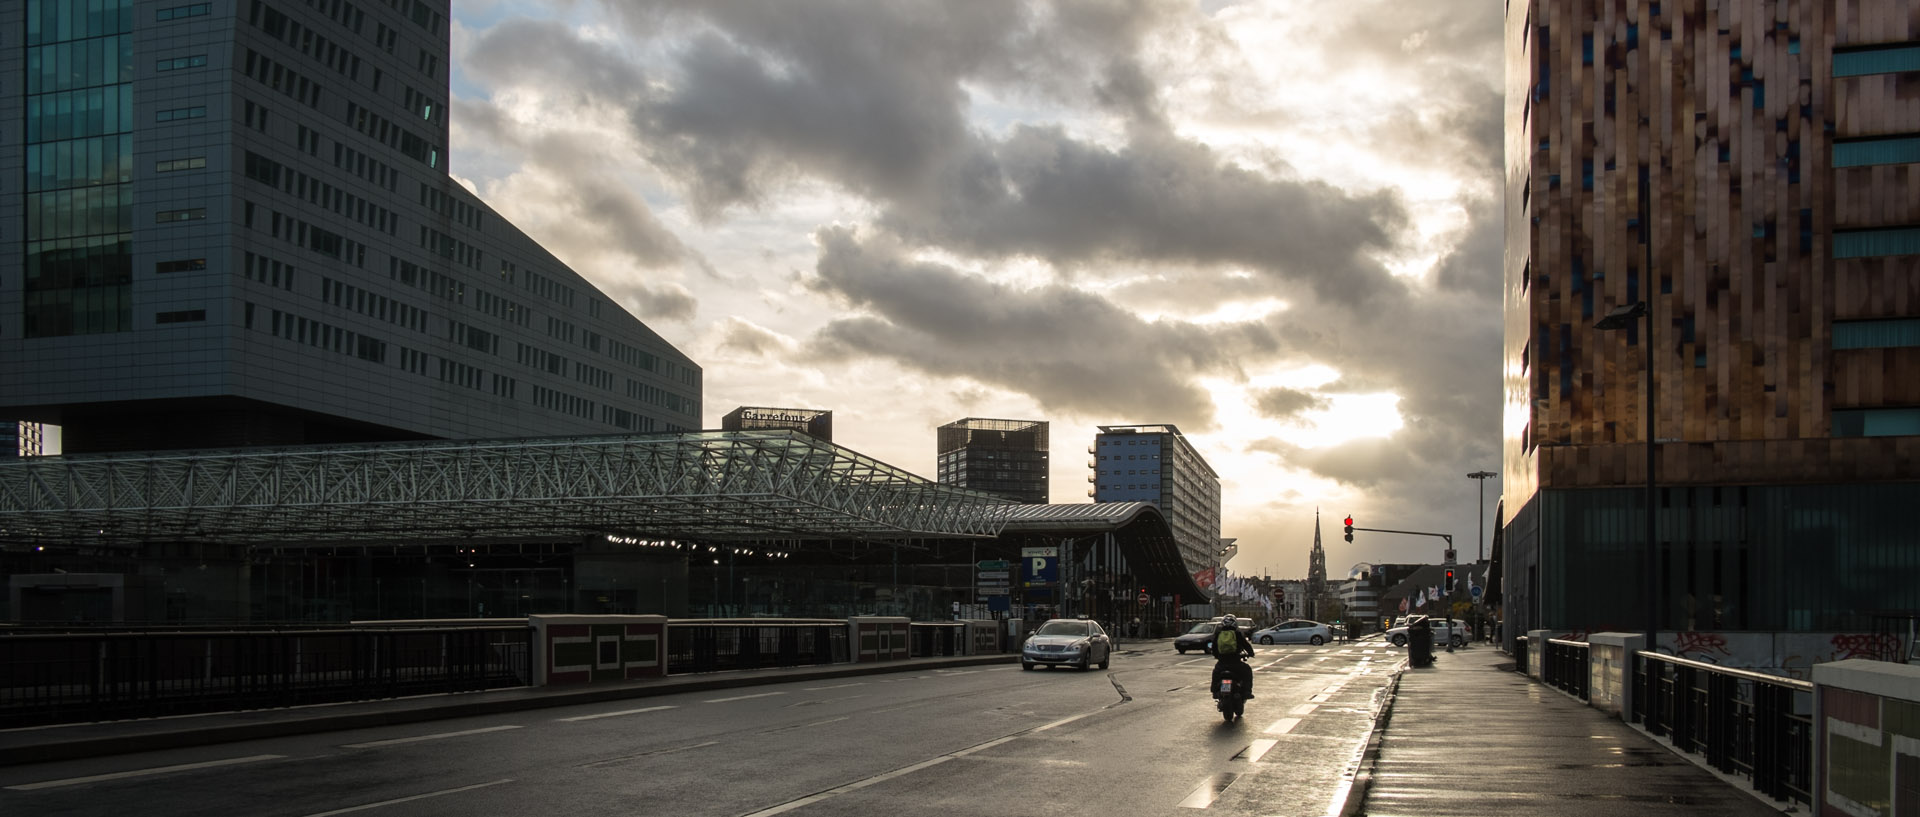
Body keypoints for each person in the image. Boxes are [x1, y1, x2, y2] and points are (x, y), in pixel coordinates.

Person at [1209, 614, 1255, 699]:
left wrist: (1216, 655)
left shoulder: (1219, 634)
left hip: (1222, 663)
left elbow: (1214, 647)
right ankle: (1247, 692)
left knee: (1216, 673)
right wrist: (1251, 653)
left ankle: (1215, 691)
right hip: (1235, 662)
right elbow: (1245, 645)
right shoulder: (1237, 633)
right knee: (1247, 671)